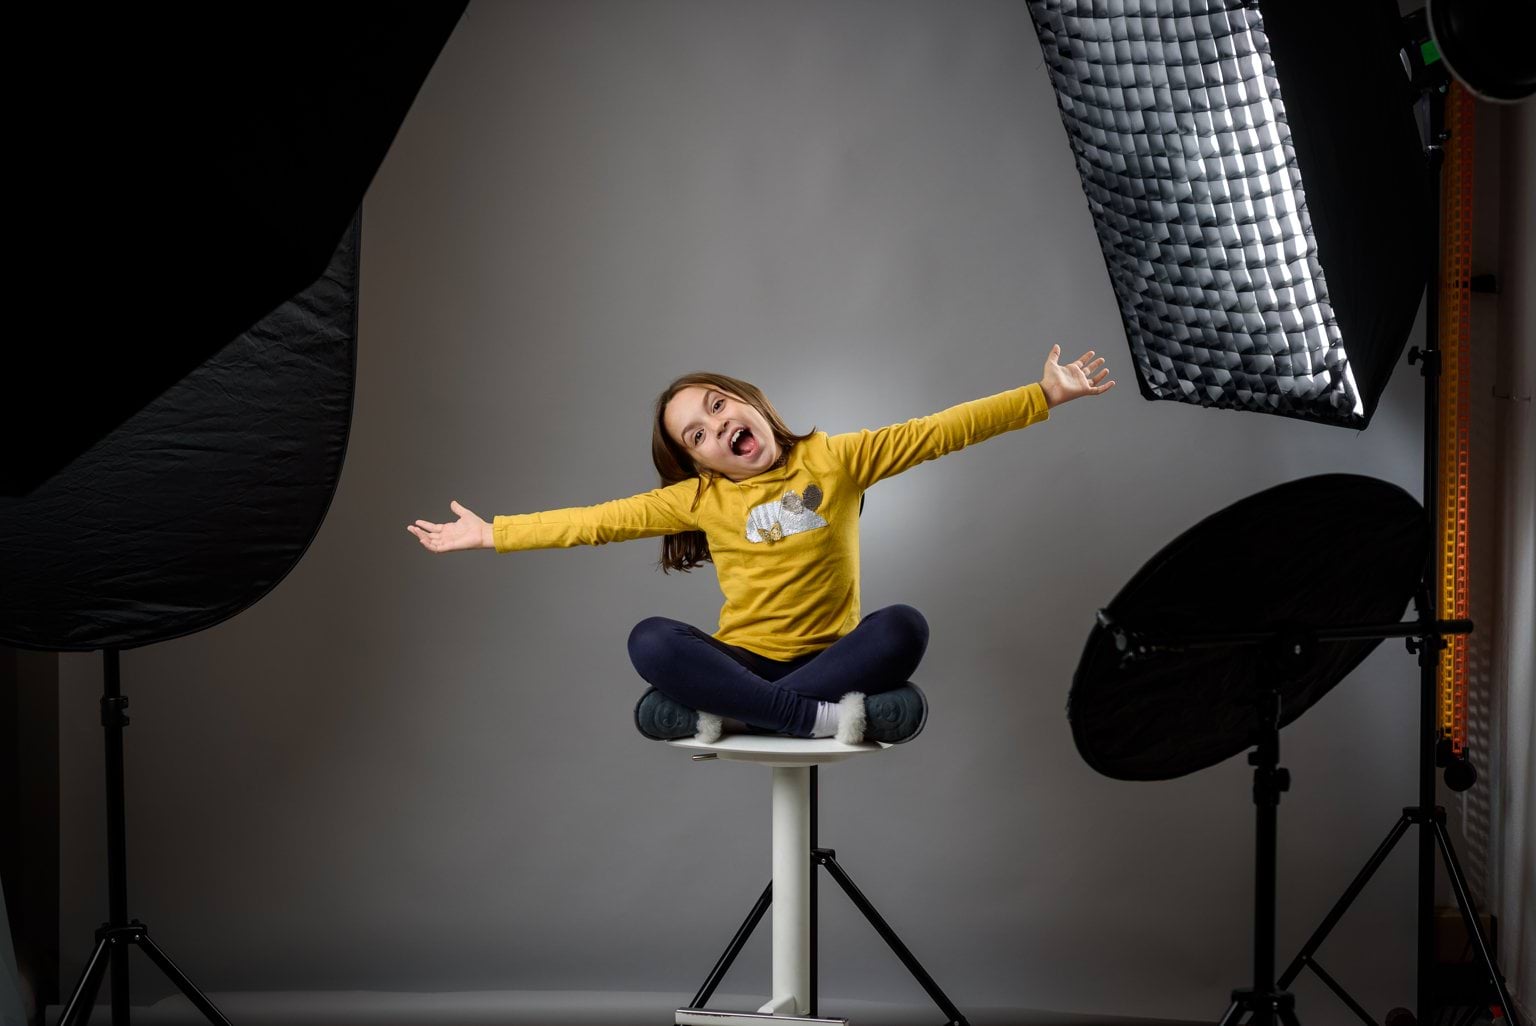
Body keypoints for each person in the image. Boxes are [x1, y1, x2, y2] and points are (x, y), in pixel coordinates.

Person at [408, 345, 1114, 745]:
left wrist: (1042, 395)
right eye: (698, 435)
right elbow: (593, 521)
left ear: (748, 399)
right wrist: (491, 532)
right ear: (700, 463)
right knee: (651, 641)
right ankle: (811, 719)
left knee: (904, 627)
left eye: (717, 406)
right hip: (743, 655)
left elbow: (940, 430)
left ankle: (740, 710)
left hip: (832, 658)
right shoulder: (699, 500)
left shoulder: (836, 458)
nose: (717, 428)